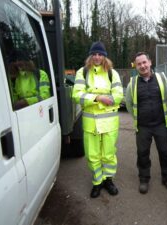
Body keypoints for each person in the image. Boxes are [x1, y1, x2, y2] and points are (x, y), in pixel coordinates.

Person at [72, 41, 123, 198]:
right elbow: (76, 95)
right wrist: (99, 97)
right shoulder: (83, 72)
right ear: (90, 55)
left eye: (100, 54)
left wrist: (93, 100)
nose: (97, 57)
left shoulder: (112, 73)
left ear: (105, 56)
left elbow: (118, 95)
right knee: (92, 155)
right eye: (94, 54)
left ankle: (108, 180)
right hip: (90, 124)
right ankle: (97, 182)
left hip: (109, 124)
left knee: (108, 154)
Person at [126, 52, 167, 194]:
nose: (142, 66)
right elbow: (129, 103)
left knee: (165, 152)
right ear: (136, 66)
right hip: (143, 126)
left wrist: (162, 112)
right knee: (142, 153)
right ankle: (144, 179)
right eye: (139, 64)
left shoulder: (161, 78)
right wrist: (138, 116)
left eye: (144, 62)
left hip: (160, 124)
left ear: (150, 62)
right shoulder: (133, 83)